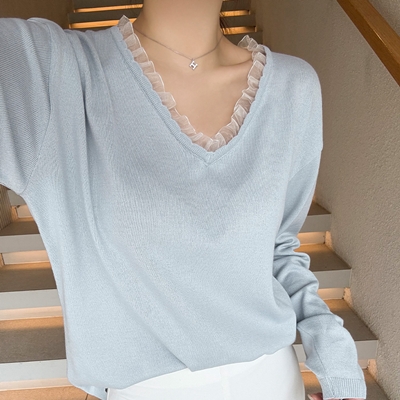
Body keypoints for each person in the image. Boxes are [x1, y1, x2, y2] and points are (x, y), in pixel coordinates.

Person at [0, 1, 367, 399]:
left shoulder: (294, 87)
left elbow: (279, 249)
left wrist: (336, 363)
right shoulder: (49, 72)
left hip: (274, 378)